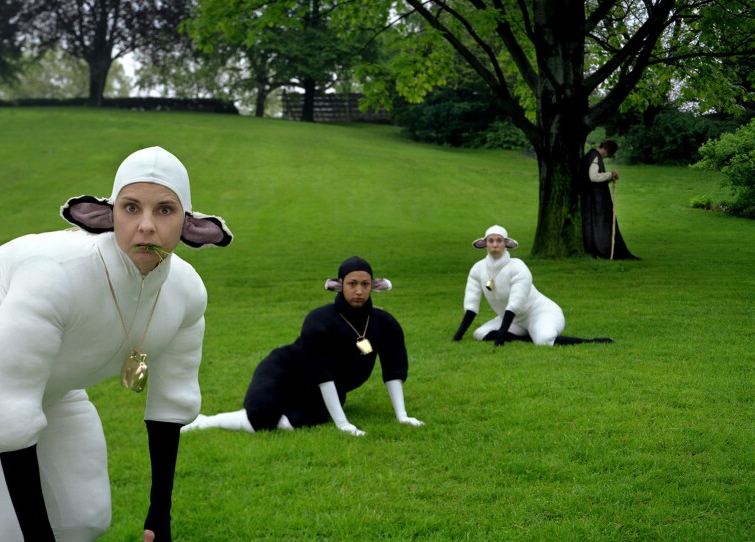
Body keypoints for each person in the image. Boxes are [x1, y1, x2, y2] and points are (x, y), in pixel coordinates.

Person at [0, 146, 233, 541]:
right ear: (107, 215)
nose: (146, 227)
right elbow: (7, 404)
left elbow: (172, 401)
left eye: (164, 210)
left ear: (190, 224)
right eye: (131, 208)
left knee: (84, 519)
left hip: (48, 383)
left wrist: (159, 519)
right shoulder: (56, 275)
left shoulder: (186, 292)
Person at [181, 256, 423, 437]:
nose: (359, 291)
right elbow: (322, 371)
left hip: (326, 389)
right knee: (260, 419)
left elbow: (393, 367)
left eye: (365, 284)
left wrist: (402, 416)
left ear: (374, 286)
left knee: (285, 425)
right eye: (352, 284)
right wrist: (343, 424)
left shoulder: (385, 323)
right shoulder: (320, 320)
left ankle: (281, 412)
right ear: (339, 285)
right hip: (286, 371)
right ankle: (205, 421)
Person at [452, 225, 613, 346]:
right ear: (484, 244)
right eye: (491, 241)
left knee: (544, 340)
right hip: (515, 321)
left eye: (499, 241)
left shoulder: (518, 267)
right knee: (480, 334)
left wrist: (501, 337)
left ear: (506, 244)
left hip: (539, 313)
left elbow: (515, 303)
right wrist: (458, 336)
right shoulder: (478, 269)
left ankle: (592, 341)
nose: (494, 245)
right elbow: (471, 304)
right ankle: (527, 336)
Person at [580, 139, 639, 260]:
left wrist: (610, 178)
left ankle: (599, 248)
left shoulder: (592, 156)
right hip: (594, 199)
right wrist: (610, 174)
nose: (607, 157)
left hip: (593, 198)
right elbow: (594, 177)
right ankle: (603, 248)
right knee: (601, 223)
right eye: (609, 154)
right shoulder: (594, 157)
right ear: (607, 150)